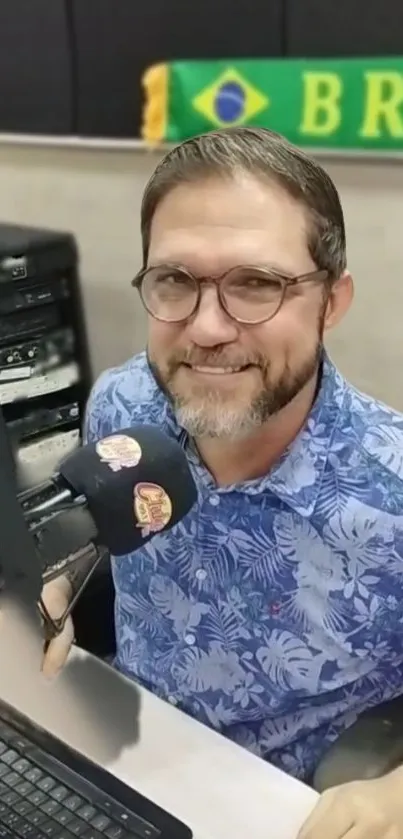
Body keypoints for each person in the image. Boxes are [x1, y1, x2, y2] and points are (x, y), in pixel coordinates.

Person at [43, 127, 403, 838]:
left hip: (279, 810)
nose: (205, 328)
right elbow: (93, 533)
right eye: (174, 280)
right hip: (119, 751)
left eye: (256, 284)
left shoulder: (390, 489)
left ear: (330, 302)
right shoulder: (121, 406)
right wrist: (48, 584)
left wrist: (396, 791)